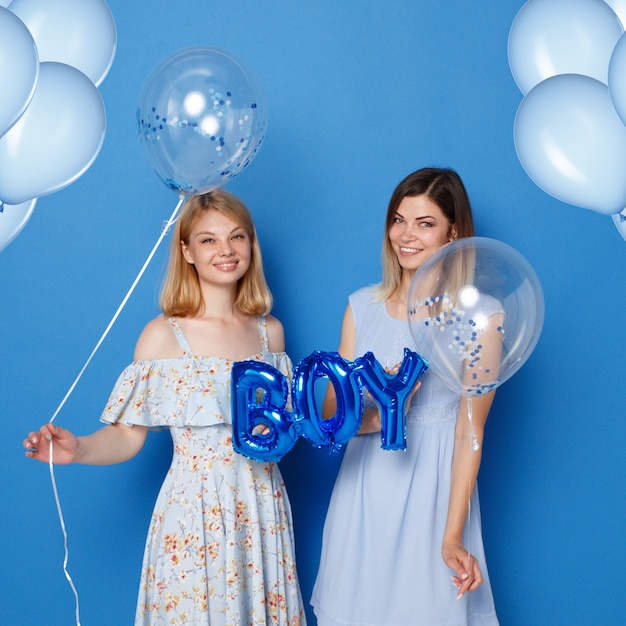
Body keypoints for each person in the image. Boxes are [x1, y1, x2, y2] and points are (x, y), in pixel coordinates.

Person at [24, 190, 306, 626]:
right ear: (186, 251)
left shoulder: (271, 333)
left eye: (237, 237)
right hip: (194, 509)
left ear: (251, 244)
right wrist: (77, 449)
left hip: (261, 506)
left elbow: (287, 427)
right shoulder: (163, 336)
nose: (226, 250)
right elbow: (127, 434)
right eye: (208, 240)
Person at [311, 168, 499, 625]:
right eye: (399, 220)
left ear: (454, 232)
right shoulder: (362, 306)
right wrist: (380, 408)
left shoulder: (482, 318)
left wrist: (453, 536)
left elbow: (468, 435)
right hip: (364, 490)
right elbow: (331, 416)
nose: (406, 235)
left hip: (434, 494)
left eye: (425, 223)